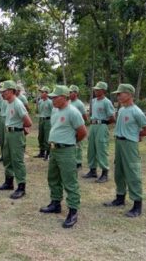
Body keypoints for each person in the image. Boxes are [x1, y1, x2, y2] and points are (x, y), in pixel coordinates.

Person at [39, 85, 87, 228]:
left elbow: (82, 132)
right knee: (53, 177)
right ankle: (55, 203)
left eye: (55, 97)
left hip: (66, 150)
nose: (52, 99)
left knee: (69, 181)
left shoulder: (73, 112)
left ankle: (73, 211)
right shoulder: (55, 110)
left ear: (64, 98)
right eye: (52, 97)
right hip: (54, 149)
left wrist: (70, 142)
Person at [103, 84, 146, 217]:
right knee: (119, 171)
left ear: (129, 94)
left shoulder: (136, 111)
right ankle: (120, 198)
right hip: (119, 143)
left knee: (132, 173)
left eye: (121, 93)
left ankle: (137, 205)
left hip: (129, 145)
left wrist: (136, 135)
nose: (118, 96)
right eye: (117, 94)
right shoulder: (122, 110)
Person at [0, 80, 33, 199]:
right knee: (7, 158)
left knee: (17, 161)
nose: (2, 94)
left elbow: (28, 122)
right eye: (1, 92)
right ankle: (9, 182)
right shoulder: (8, 103)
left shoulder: (17, 103)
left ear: (11, 91)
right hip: (8, 133)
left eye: (4, 91)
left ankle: (21, 187)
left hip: (16, 134)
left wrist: (20, 129)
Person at [83, 81, 115, 183]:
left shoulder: (107, 102)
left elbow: (112, 118)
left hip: (101, 126)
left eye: (98, 89)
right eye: (95, 89)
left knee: (101, 149)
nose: (95, 91)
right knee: (91, 149)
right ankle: (93, 170)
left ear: (103, 91)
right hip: (93, 126)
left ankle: (104, 173)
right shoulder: (94, 101)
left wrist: (103, 123)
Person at [69, 85, 88, 169]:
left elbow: (84, 117)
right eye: (69, 92)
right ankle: (72, 160)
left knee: (78, 145)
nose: (69, 93)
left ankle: (79, 162)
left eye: (71, 92)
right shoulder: (68, 102)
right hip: (70, 127)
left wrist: (79, 125)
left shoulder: (79, 103)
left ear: (76, 93)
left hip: (77, 127)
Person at [34, 86, 53, 160]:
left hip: (48, 120)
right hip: (41, 120)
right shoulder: (40, 101)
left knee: (47, 137)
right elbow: (39, 111)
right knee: (40, 136)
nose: (41, 94)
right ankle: (41, 152)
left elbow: (53, 112)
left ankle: (48, 153)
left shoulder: (50, 102)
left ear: (47, 93)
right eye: (41, 92)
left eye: (42, 92)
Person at [0, 82, 8, 162]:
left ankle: (6, 156)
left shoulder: (9, 98)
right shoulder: (0, 96)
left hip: (6, 117)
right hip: (1, 116)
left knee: (6, 138)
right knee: (2, 138)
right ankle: (3, 155)